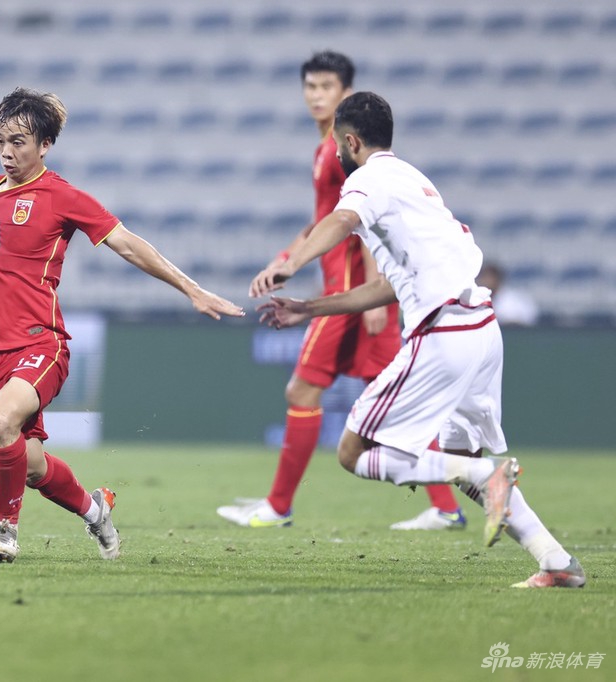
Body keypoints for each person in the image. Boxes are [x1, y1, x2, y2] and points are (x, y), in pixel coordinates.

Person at [256, 92, 585, 588]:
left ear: (349, 142)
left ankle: (485, 477)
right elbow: (388, 286)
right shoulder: (413, 181)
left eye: (339, 147)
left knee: (354, 452)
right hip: (481, 330)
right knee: (464, 459)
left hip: (443, 334)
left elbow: (341, 221)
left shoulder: (368, 181)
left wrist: (290, 263)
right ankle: (555, 562)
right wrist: (308, 307)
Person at [0, 87, 245, 563]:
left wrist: (191, 289)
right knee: (29, 466)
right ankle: (94, 509)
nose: (7, 152)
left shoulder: (62, 196)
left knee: (2, 419)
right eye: (1, 141)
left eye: (18, 141)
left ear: (45, 145)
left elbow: (129, 244)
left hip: (40, 343)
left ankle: (5, 532)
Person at [216, 51, 465, 532]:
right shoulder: (325, 150)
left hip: (352, 292)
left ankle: (279, 506)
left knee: (303, 388)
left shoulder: (348, 155)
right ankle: (446, 506)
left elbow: (364, 219)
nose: (316, 96)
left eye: (326, 87)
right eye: (310, 87)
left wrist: (373, 290)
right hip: (346, 285)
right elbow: (322, 221)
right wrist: (285, 259)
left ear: (345, 94)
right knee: (393, 397)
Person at [477, 261, 540, 326]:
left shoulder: (511, 302)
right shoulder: (478, 299)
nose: (484, 281)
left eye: (488, 278)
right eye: (483, 277)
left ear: (497, 279)